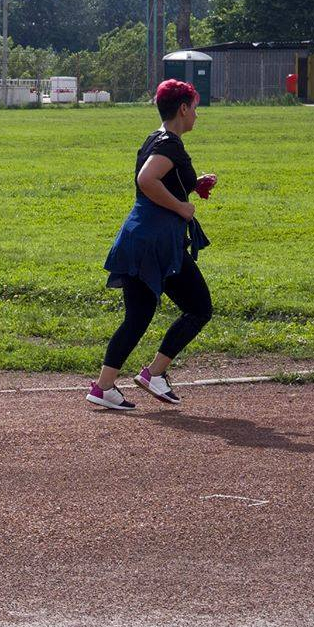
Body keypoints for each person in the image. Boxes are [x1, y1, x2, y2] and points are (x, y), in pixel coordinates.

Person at [88, 79, 216, 410]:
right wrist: (181, 207)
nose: (197, 115)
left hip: (139, 238)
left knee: (139, 315)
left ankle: (104, 387)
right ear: (184, 108)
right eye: (195, 108)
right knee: (199, 307)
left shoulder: (154, 140)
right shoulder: (169, 145)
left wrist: (192, 185)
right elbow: (146, 180)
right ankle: (154, 374)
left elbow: (160, 177)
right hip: (156, 244)